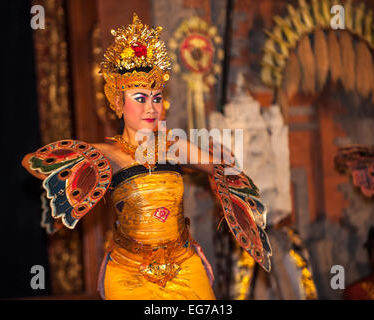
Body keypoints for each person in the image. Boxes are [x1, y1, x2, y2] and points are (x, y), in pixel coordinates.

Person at [22, 13, 271, 300]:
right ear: (118, 102)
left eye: (156, 98)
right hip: (129, 273)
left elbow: (224, 167)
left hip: (184, 267)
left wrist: (222, 167)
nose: (151, 108)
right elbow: (32, 163)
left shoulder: (174, 146)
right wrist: (86, 162)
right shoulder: (109, 155)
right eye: (140, 99)